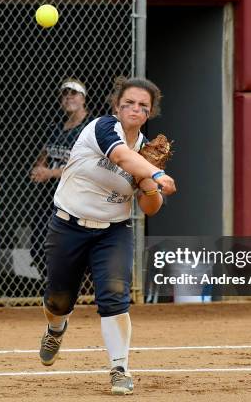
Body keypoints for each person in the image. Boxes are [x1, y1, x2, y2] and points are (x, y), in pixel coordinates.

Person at [38, 77, 176, 395]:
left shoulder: (145, 151)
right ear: (116, 105)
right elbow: (119, 157)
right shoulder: (102, 127)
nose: (135, 109)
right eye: (129, 103)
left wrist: (151, 184)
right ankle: (56, 329)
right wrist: (153, 172)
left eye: (143, 105)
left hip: (112, 232)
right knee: (59, 300)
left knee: (114, 296)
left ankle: (119, 369)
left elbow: (149, 206)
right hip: (68, 225)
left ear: (150, 112)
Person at [29, 78, 92, 280]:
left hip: (76, 197)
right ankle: (54, 284)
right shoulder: (55, 127)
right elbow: (45, 154)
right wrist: (40, 167)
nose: (68, 97)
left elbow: (84, 167)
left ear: (83, 98)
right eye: (65, 94)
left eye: (73, 93)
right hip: (50, 196)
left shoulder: (89, 128)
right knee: (39, 244)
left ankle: (79, 286)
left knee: (73, 246)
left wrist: (50, 173)